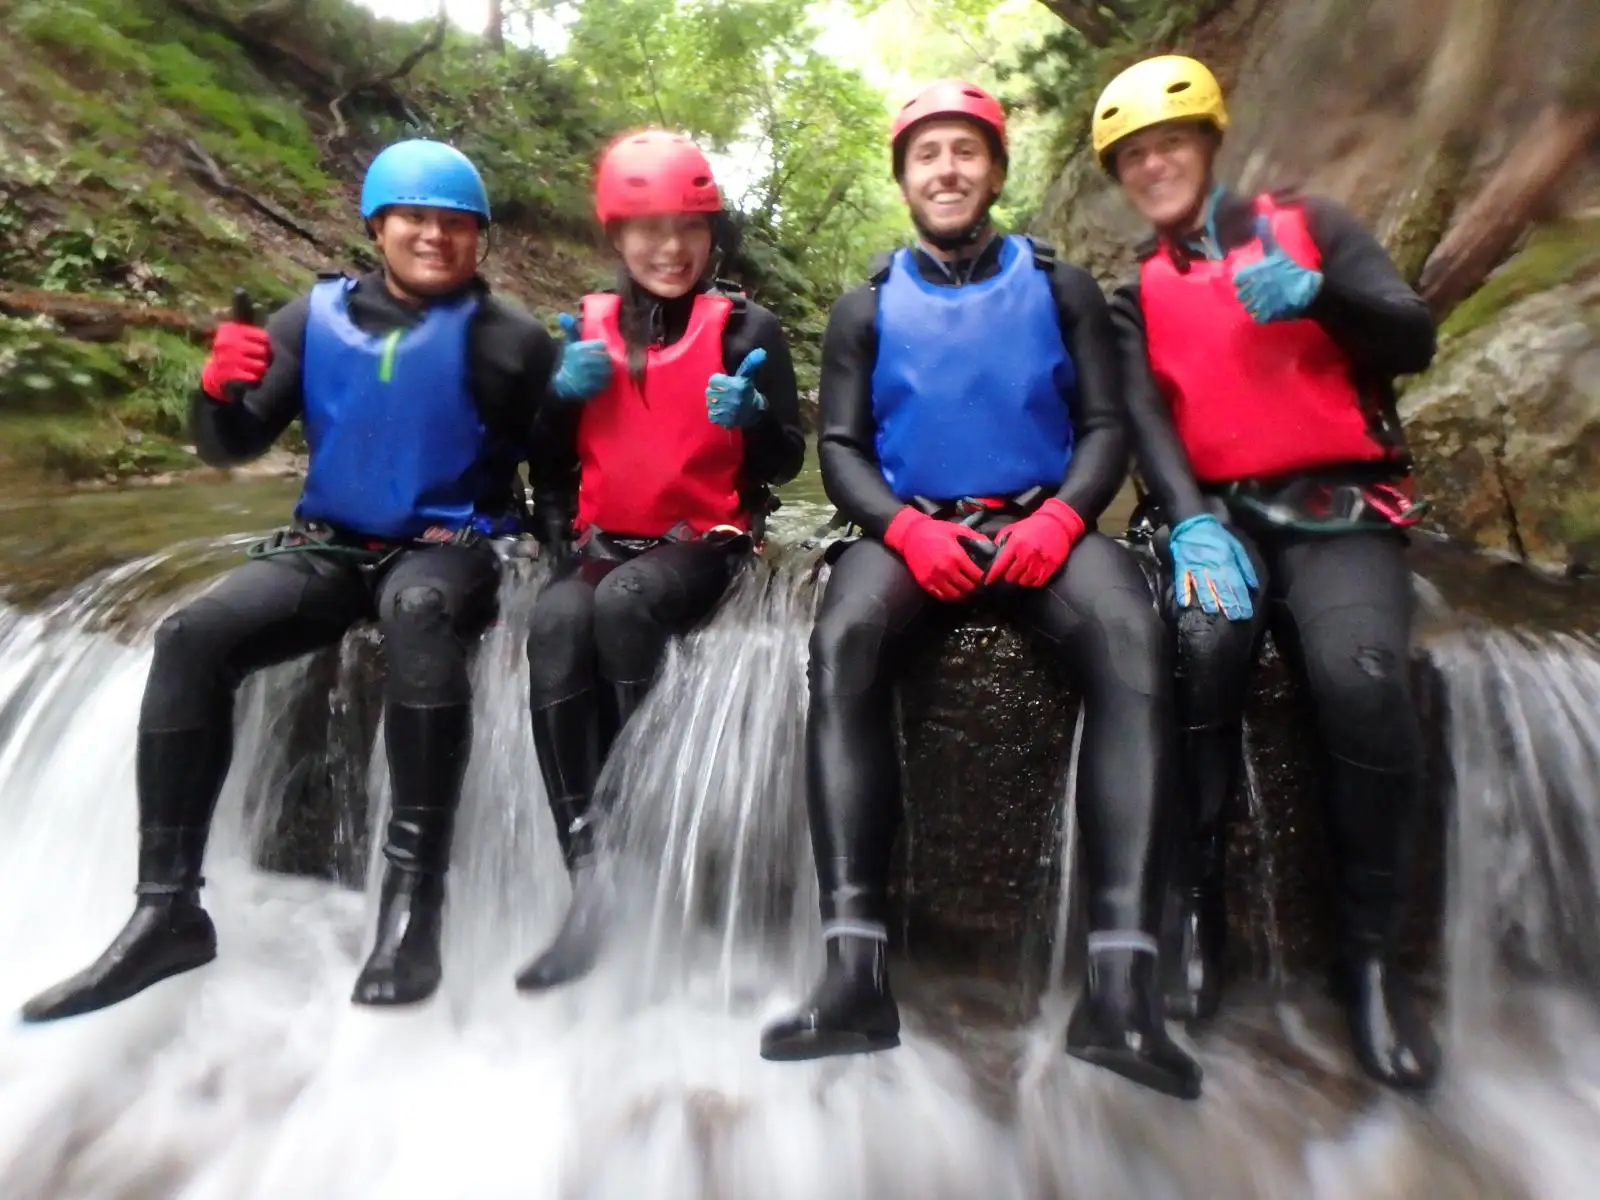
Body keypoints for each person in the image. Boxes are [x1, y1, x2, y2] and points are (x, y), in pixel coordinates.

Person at [20, 139, 577, 1020]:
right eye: (416, 219)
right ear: (378, 227)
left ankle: (412, 905)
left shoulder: (510, 340)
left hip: (450, 544)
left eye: (456, 224)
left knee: (421, 612)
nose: (435, 236)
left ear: (480, 238)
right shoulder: (306, 320)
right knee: (191, 636)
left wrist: (561, 564)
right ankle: (165, 909)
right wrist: (213, 392)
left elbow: (554, 469)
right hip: (331, 547)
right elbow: (231, 445)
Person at [758, 80, 1201, 1101]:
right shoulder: (865, 305)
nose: (947, 171)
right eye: (927, 155)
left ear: (996, 172)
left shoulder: (1061, 288)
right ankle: (853, 973)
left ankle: (1121, 989)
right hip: (913, 528)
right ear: (903, 177)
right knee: (844, 646)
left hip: (1044, 519)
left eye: (966, 152)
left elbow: (1104, 426)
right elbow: (838, 450)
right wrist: (906, 529)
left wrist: (1060, 520)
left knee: (1134, 640)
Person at [1091, 55, 1441, 1091]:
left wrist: (1324, 298)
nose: (1154, 166)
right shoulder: (1134, 295)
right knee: (1201, 649)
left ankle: (1371, 961)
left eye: (1169, 145)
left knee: (1363, 678)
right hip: (1219, 521)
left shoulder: (1313, 225)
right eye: (1132, 158)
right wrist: (1190, 523)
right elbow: (1146, 417)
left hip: (1335, 516)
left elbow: (1410, 335)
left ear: (1208, 144)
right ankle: (1196, 918)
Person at [512, 130, 806, 993]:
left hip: (703, 543)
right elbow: (543, 452)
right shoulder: (586, 329)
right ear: (617, 237)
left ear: (713, 236)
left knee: (625, 606)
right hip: (608, 540)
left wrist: (751, 415)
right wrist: (555, 399)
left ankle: (641, 828)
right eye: (648, 230)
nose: (670, 249)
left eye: (688, 228)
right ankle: (590, 871)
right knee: (560, 616)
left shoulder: (748, 328)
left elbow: (786, 459)